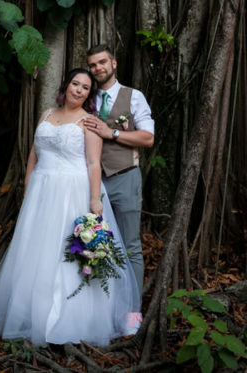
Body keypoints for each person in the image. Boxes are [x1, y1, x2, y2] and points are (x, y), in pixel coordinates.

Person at [0, 68, 140, 347]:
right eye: (75, 84)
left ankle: (70, 319)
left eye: (85, 88)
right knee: (37, 251)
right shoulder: (46, 114)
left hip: (73, 190)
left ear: (89, 95)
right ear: (66, 85)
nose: (79, 90)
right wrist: (28, 187)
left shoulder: (90, 122)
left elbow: (94, 163)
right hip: (41, 190)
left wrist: (95, 200)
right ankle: (33, 314)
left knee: (68, 252)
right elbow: (34, 154)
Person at [84, 44, 154, 304]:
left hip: (124, 177)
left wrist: (112, 132)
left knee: (130, 246)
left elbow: (147, 138)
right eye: (92, 65)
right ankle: (100, 308)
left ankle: (132, 308)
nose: (97, 68)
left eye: (102, 62)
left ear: (114, 64)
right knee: (92, 243)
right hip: (91, 182)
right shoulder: (85, 96)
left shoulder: (133, 96)